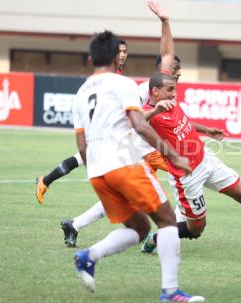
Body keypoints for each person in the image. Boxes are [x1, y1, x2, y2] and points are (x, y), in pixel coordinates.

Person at [71, 5, 204, 303]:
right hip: (125, 164)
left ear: (91, 58)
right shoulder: (123, 84)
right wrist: (173, 155)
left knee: (140, 227)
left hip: (98, 172)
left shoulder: (80, 94)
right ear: (117, 56)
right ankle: (170, 292)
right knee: (168, 220)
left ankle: (88, 256)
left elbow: (81, 146)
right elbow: (140, 124)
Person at [140, 72, 241, 254]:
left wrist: (206, 130)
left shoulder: (170, 102)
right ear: (155, 91)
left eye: (175, 89)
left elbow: (183, 122)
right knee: (196, 229)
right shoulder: (149, 113)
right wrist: (157, 110)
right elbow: (138, 121)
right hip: (186, 176)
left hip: (206, 160)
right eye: (170, 90)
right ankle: (155, 239)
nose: (174, 94)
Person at [59, 55, 181, 248]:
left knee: (124, 196)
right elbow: (135, 120)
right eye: (175, 68)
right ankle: (175, 229)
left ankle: (75, 224)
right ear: (162, 68)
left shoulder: (169, 89)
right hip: (140, 149)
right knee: (185, 174)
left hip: (146, 148)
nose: (178, 72)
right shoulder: (143, 89)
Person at [35, 38, 128, 205]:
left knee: (80, 158)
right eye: (119, 52)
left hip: (106, 131)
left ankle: (45, 181)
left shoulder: (118, 76)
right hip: (99, 128)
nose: (122, 55)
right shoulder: (108, 76)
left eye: (125, 52)